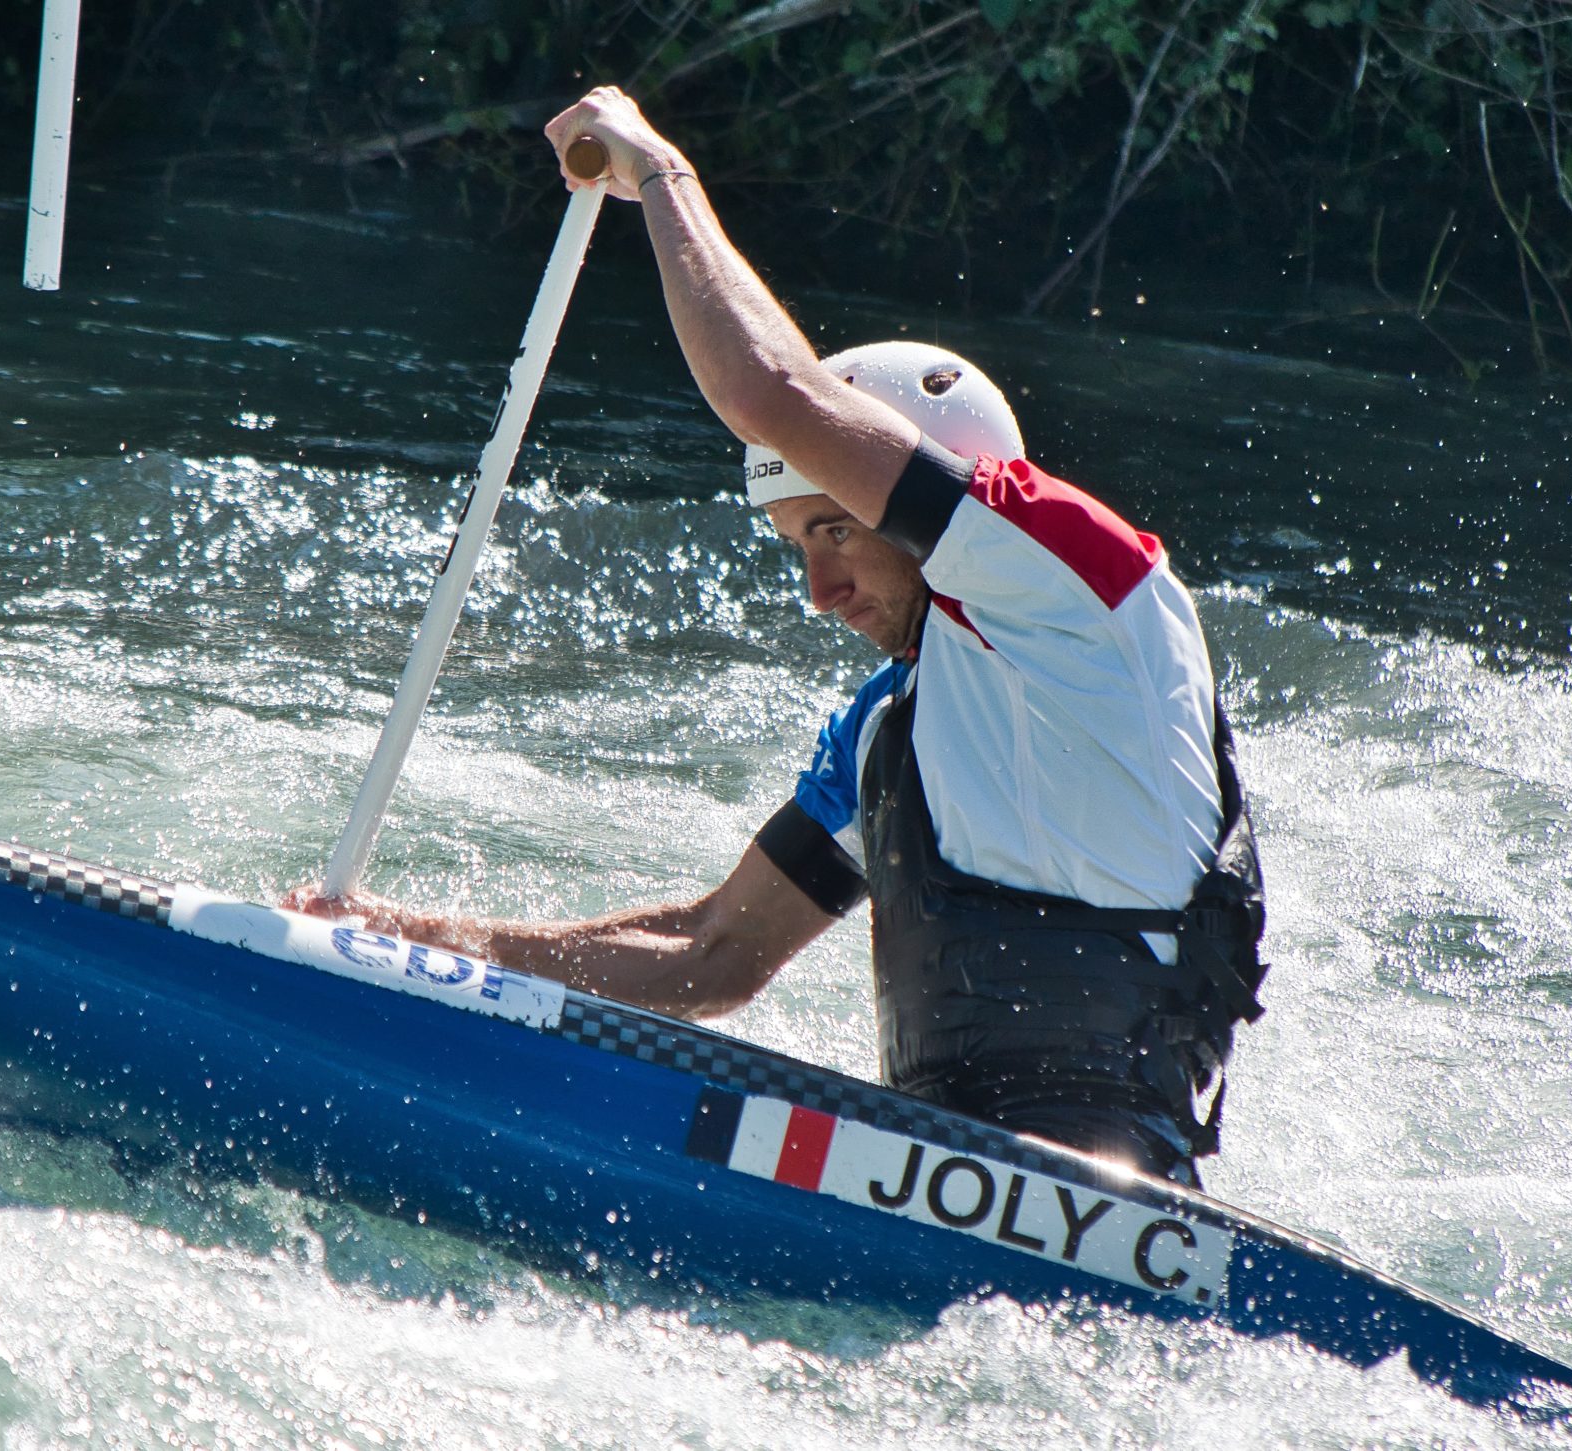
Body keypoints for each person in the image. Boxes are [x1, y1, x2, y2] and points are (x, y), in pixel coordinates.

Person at [285, 87, 1266, 1186]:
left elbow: (769, 390)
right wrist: (397, 941)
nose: (818, 588)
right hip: (930, 1167)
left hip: (1110, 1187)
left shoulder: (1081, 579)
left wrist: (659, 173)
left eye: (835, 528)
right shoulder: (886, 730)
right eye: (795, 542)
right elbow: (711, 955)